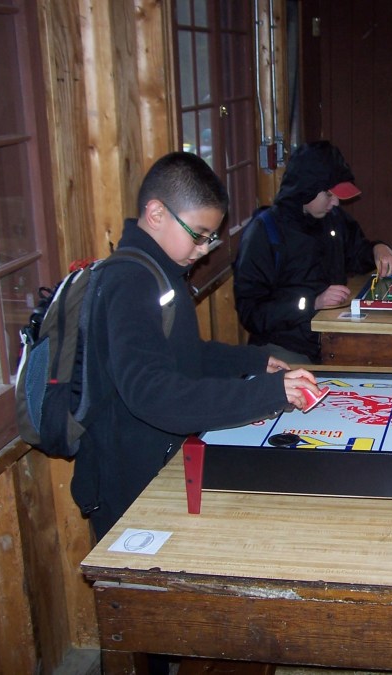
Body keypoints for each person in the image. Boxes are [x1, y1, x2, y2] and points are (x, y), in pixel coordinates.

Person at [72, 151, 322, 540]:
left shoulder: (162, 272)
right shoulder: (130, 282)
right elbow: (153, 395)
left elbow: (187, 355)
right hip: (129, 491)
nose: (204, 249)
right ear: (156, 214)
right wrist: (267, 393)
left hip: (163, 466)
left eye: (211, 238)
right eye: (199, 235)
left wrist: (254, 362)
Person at [234, 141, 392, 364]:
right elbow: (251, 313)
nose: (336, 202)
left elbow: (357, 254)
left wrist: (377, 249)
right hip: (284, 345)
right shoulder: (264, 231)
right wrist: (313, 302)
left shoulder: (333, 219)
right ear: (307, 190)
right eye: (329, 195)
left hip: (331, 338)